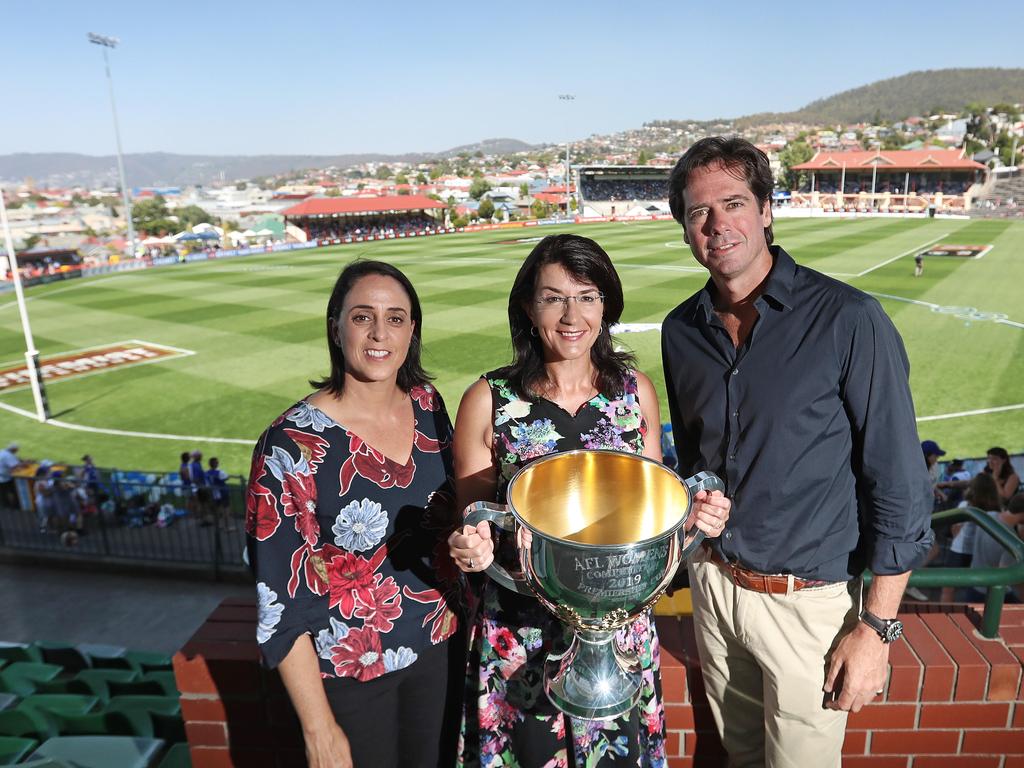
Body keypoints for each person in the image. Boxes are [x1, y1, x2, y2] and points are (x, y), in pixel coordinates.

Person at [662, 137, 933, 768]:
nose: (717, 223)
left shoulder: (849, 319)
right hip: (715, 586)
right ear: (684, 229)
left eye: (733, 202)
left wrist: (877, 629)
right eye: (699, 212)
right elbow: (696, 457)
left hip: (808, 603)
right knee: (741, 756)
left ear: (765, 211)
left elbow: (899, 483)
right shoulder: (682, 332)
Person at [447, 234, 731, 767]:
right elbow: (471, 519)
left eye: (588, 295)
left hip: (617, 625)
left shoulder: (634, 392)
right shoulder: (487, 399)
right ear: (529, 309)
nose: (572, 314)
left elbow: (653, 509)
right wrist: (471, 545)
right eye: (554, 297)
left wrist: (693, 517)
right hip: (521, 632)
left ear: (606, 307)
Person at [246, 259, 463, 768]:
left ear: (414, 330)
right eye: (362, 316)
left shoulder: (428, 404)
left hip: (442, 647)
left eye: (396, 317)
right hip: (350, 674)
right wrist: (318, 729)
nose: (379, 332)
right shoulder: (291, 445)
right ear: (335, 326)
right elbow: (280, 598)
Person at [0, 443, 24, 512]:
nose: (17, 451)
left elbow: (15, 460)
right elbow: (15, 466)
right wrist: (24, 464)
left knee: (2, 492)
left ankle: (4, 505)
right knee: (12, 491)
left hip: (2, 476)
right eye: (16, 450)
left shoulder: (3, 451)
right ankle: (14, 506)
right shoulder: (8, 455)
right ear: (13, 449)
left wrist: (20, 461)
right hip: (5, 478)